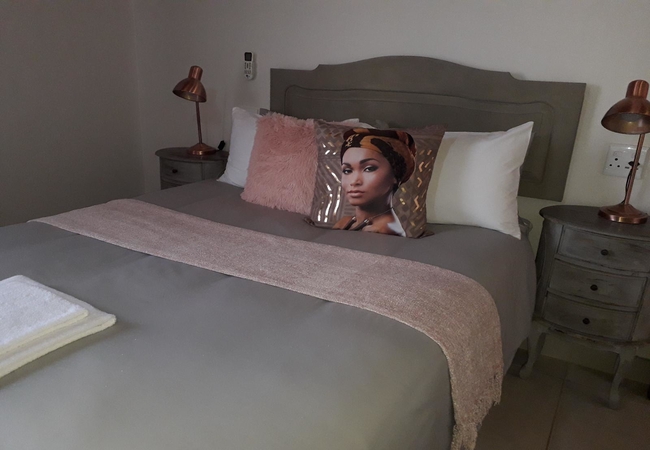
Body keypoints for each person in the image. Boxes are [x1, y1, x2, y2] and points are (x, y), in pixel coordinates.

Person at [333, 128, 417, 236]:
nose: (354, 181)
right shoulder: (345, 222)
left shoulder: (386, 230)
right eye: (347, 171)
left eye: (369, 169)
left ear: (395, 174)